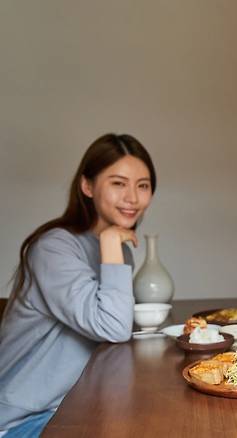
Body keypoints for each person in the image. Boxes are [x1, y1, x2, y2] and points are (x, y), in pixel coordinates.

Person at [0, 134, 157, 437]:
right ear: (87, 186)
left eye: (143, 185)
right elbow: (113, 326)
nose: (133, 198)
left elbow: (113, 329)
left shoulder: (119, 250)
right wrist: (110, 241)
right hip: (23, 419)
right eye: (118, 183)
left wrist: (112, 245)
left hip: (74, 406)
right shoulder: (53, 248)